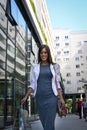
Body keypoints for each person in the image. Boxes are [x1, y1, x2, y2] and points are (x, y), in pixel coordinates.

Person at [21, 44, 65, 130]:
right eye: (41, 53)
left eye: (45, 52)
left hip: (52, 97)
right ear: (39, 54)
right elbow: (33, 84)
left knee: (49, 121)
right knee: (45, 123)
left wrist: (61, 98)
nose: (43, 54)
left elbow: (57, 84)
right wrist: (26, 96)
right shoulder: (35, 67)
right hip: (40, 98)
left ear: (48, 54)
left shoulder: (54, 66)